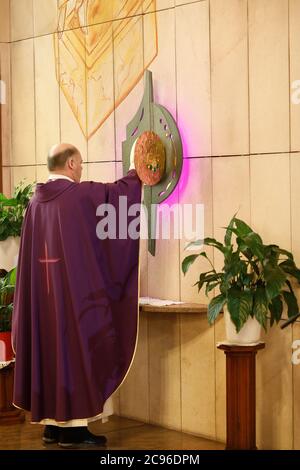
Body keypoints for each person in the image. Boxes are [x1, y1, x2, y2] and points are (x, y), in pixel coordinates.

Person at [12, 143, 142, 448]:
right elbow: (117, 195)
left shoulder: (35, 203)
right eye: (80, 164)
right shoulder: (78, 195)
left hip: (42, 299)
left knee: (50, 351)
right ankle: (73, 430)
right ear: (71, 164)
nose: (81, 170)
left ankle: (51, 426)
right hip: (72, 297)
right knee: (75, 349)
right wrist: (137, 173)